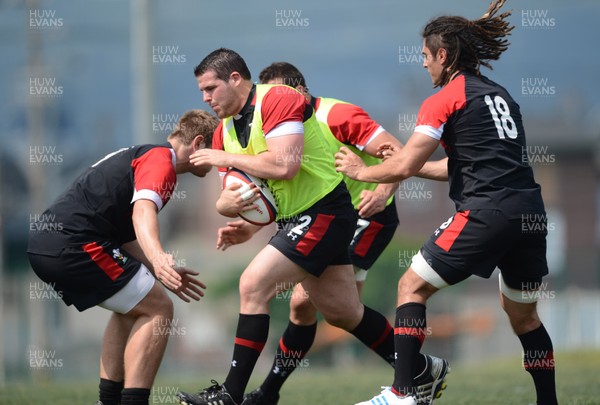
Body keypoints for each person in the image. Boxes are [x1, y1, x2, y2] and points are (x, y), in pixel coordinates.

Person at [175, 48, 430, 405]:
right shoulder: (225, 133)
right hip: (300, 218)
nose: (205, 98)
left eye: (211, 88)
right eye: (201, 91)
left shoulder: (290, 103)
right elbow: (242, 195)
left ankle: (231, 395)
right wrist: (228, 207)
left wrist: (382, 189)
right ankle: (419, 370)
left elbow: (284, 168)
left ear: (237, 79)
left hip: (331, 212)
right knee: (343, 310)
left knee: (253, 285)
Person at [336, 1, 558, 404]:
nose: (423, 65)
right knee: (525, 318)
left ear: (443, 54)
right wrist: (411, 165)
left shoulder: (444, 98)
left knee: (411, 285)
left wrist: (360, 170)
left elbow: (404, 163)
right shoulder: (499, 95)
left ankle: (403, 392)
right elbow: (457, 165)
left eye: (425, 56)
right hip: (528, 214)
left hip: (486, 212)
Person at [27, 110, 219, 405]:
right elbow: (142, 212)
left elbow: (128, 235)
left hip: (51, 244)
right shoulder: (161, 161)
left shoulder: (146, 155)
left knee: (133, 304)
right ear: (197, 145)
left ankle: (109, 401)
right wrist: (158, 258)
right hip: (73, 243)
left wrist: (158, 270)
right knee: (159, 309)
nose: (220, 161)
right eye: (217, 151)